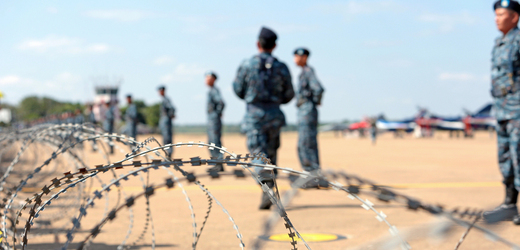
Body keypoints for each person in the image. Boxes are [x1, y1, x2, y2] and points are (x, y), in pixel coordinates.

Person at [233, 26, 294, 209]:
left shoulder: (247, 65)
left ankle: (266, 185)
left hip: (255, 116)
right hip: (274, 115)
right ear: (274, 46)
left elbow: (238, 89)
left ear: (257, 44)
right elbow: (289, 94)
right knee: (272, 156)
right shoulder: (281, 67)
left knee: (258, 154)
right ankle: (268, 190)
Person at [483, 0, 520, 225]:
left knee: (519, 158)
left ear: (514, 17)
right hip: (502, 110)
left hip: (518, 111)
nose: (496, 18)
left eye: (501, 15)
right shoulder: (499, 43)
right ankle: (509, 205)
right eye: (495, 15)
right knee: (505, 158)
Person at [293, 47, 327, 188]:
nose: (295, 59)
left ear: (304, 57)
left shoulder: (308, 72)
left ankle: (311, 176)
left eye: (297, 56)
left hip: (307, 110)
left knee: (305, 143)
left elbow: (318, 88)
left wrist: (314, 102)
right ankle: (313, 176)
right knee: (307, 143)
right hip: (305, 110)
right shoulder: (304, 73)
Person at [205, 71, 226, 172]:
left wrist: (217, 113)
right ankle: (217, 163)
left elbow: (221, 103)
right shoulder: (211, 90)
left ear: (213, 79)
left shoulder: (214, 91)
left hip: (214, 119)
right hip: (212, 119)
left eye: (208, 77)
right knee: (211, 142)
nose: (205, 80)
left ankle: (219, 164)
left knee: (215, 141)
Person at [158, 85, 176, 158]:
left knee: (167, 138)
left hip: (166, 121)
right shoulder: (164, 99)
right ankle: (167, 153)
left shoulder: (166, 99)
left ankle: (169, 153)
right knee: (165, 138)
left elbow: (172, 108)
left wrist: (170, 115)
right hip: (164, 120)